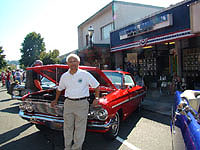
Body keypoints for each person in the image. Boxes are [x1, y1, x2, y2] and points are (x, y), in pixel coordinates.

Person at [51, 53, 100, 150]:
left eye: (74, 61)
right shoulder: (64, 76)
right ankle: (67, 147)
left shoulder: (85, 74)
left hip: (82, 104)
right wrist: (55, 100)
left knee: (80, 128)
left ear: (78, 62)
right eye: (70, 61)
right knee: (67, 127)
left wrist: (97, 98)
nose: (72, 63)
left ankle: (76, 148)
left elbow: (96, 86)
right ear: (67, 63)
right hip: (68, 103)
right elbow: (59, 89)